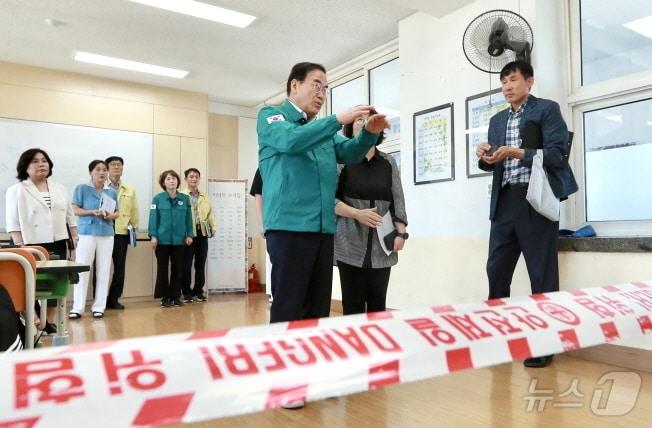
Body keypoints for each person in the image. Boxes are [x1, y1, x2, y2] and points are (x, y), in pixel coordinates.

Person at [258, 61, 388, 409]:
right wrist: (338, 119)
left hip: (321, 229)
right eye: (316, 84)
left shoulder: (322, 132)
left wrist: (369, 133)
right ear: (293, 86)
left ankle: (311, 377)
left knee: (316, 307)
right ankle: (284, 382)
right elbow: (289, 141)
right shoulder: (272, 118)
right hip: (288, 228)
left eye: (325, 88)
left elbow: (349, 152)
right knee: (289, 304)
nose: (321, 93)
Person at [476, 60, 578, 368]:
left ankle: (545, 345)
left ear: (529, 81)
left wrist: (518, 152)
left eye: (513, 79)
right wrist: (484, 157)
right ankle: (499, 338)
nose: (507, 86)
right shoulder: (496, 121)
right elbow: (493, 163)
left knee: (541, 274)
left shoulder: (546, 110)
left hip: (535, 201)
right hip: (504, 202)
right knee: (496, 272)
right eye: (503, 81)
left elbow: (558, 155)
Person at [335, 109, 408, 315]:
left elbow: (398, 199)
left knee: (378, 304)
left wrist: (401, 233)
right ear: (350, 128)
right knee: (352, 304)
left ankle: (377, 346)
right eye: (359, 119)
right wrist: (357, 214)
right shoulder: (342, 160)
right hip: (349, 241)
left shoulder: (388, 161)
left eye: (370, 119)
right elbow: (330, 199)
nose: (365, 122)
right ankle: (354, 346)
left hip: (382, 243)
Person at [5, 148, 79, 334]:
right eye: (35, 161)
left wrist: (74, 235)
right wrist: (21, 245)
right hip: (30, 244)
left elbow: (69, 215)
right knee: (31, 283)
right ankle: (32, 320)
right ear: (25, 167)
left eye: (44, 160)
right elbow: (13, 221)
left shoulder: (59, 188)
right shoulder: (17, 190)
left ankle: (48, 322)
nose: (41, 164)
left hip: (57, 241)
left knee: (54, 282)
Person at [70, 160, 119, 319]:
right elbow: (75, 209)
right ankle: (77, 308)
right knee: (83, 269)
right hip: (86, 233)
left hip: (106, 233)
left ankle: (99, 307)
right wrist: (92, 212)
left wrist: (111, 215)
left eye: (105, 170)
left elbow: (117, 212)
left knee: (104, 270)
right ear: (91, 172)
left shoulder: (111, 191)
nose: (102, 173)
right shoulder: (82, 188)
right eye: (98, 170)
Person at [149, 170, 193, 308]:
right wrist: (153, 236)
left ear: (178, 181)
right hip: (162, 240)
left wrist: (190, 234)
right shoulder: (157, 199)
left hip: (180, 240)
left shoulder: (184, 199)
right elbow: (153, 218)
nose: (172, 181)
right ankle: (164, 297)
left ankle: (175, 296)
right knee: (162, 269)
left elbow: (188, 219)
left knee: (178, 269)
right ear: (163, 182)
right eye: (168, 179)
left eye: (174, 178)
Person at [105, 156, 139, 310]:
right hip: (103, 232)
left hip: (121, 233)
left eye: (119, 165)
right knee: (101, 267)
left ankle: (113, 299)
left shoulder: (129, 189)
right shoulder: (100, 186)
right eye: (113, 164)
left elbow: (134, 211)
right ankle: (100, 300)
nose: (116, 167)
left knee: (120, 268)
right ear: (107, 168)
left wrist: (134, 229)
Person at [180, 168, 215, 303]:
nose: (194, 179)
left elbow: (210, 214)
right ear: (186, 179)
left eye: (196, 177)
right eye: (191, 176)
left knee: (200, 264)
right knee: (186, 264)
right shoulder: (181, 195)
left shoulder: (204, 196)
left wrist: (213, 227)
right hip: (187, 234)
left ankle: (198, 291)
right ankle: (186, 292)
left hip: (202, 233)